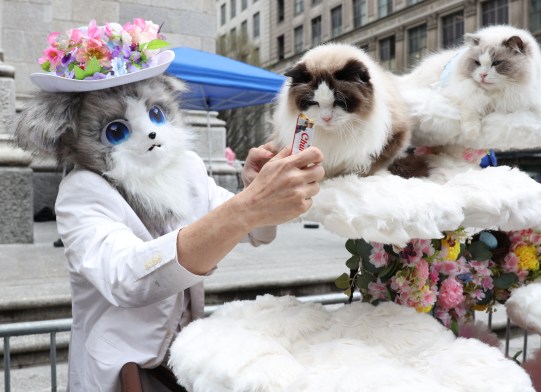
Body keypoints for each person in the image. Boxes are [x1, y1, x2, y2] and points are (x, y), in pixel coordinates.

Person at [14, 19, 325, 391]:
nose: (149, 131)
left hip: (182, 361)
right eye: (117, 129)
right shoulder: (83, 190)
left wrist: (255, 194)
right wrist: (248, 206)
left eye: (156, 114)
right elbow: (128, 278)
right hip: (121, 369)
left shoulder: (188, 168)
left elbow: (254, 231)